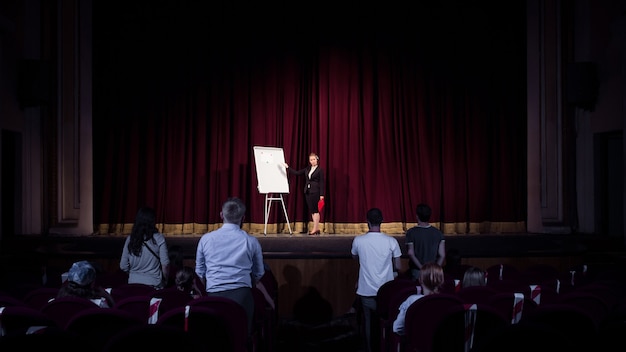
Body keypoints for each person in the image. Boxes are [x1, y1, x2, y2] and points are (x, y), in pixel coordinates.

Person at [195, 197, 265, 335]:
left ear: (221, 215)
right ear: (243, 218)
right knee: (241, 337)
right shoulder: (251, 241)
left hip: (213, 296)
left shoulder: (206, 240)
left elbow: (199, 272)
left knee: (215, 338)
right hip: (243, 296)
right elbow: (259, 273)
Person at [351, 208, 402, 352]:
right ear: (382, 221)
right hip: (387, 291)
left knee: (368, 322)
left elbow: (355, 257)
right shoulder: (391, 241)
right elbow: (398, 266)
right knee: (388, 320)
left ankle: (369, 349)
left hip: (366, 290)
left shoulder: (358, 241)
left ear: (367, 221)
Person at [120, 206, 170, 289]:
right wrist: (165, 281)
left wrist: (135, 275)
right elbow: (165, 264)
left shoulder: (130, 239)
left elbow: (123, 266)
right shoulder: (159, 238)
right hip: (154, 284)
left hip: (133, 284)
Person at [392, 262, 444, 335]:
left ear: (420, 280)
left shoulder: (412, 300)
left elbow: (397, 328)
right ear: (441, 280)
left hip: (416, 343)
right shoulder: (445, 301)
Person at [284, 152, 325, 235]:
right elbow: (297, 173)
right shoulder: (307, 169)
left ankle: (315, 228)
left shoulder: (320, 170)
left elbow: (322, 183)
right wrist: (288, 167)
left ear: (317, 160)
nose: (312, 161)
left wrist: (322, 194)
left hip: (316, 192)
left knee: (316, 210)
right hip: (308, 192)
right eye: (311, 160)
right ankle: (316, 229)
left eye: (314, 159)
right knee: (312, 211)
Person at [405, 203, 446, 281]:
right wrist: (435, 270)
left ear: (417, 216)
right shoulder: (438, 233)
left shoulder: (411, 233)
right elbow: (442, 255)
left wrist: (422, 268)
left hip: (417, 271)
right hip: (433, 272)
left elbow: (410, 253)